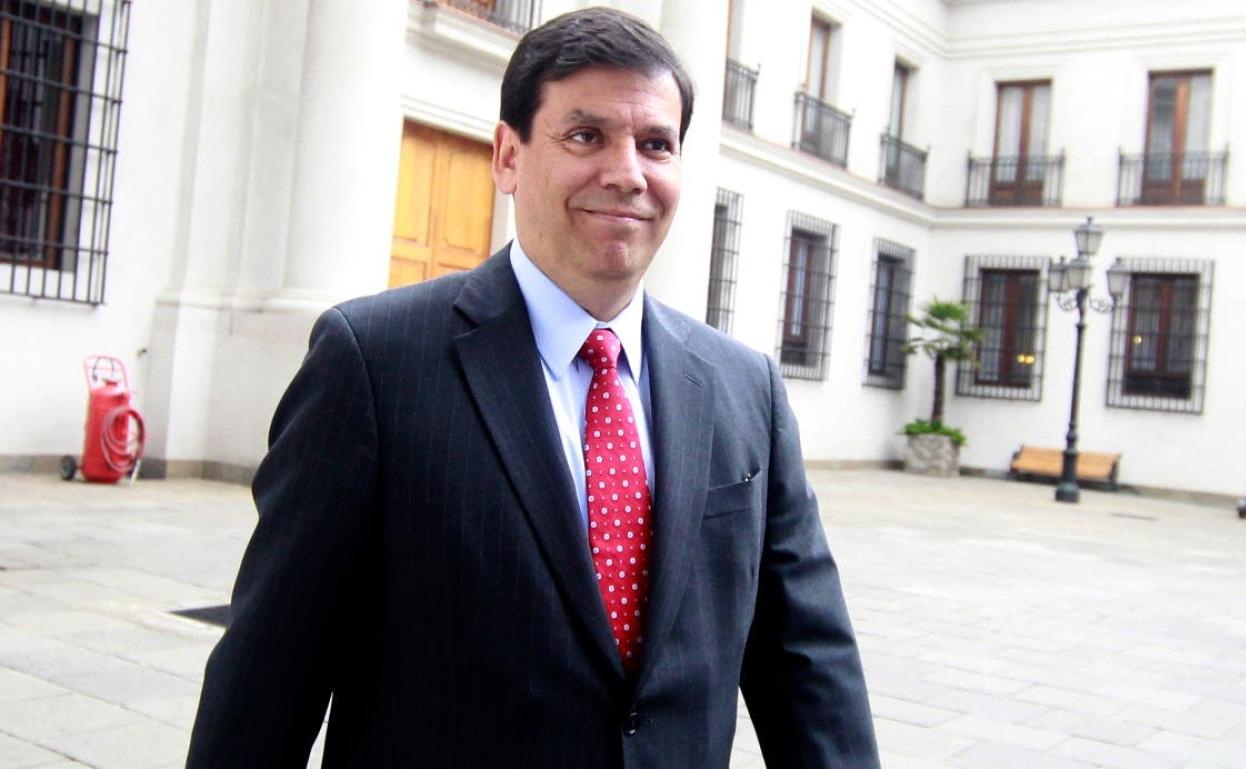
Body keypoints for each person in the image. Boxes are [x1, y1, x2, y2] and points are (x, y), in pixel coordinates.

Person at [186, 8, 879, 768]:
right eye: (586, 136)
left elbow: (807, 662)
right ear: (508, 157)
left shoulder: (746, 387)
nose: (627, 172)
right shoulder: (375, 364)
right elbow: (269, 675)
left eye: (656, 144)